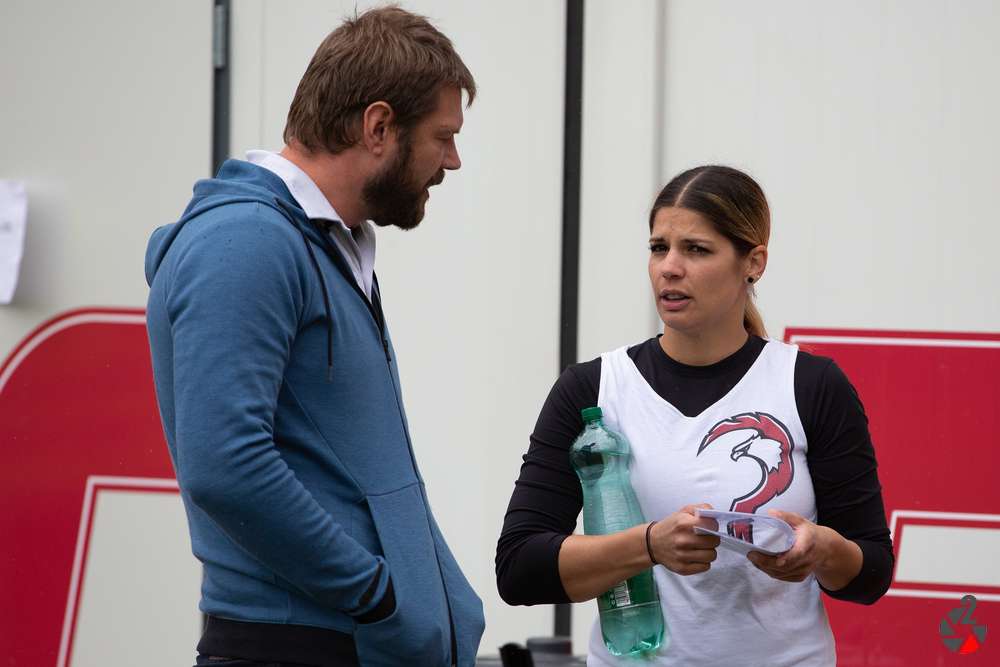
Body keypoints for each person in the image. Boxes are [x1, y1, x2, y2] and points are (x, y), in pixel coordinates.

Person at [144, 7, 483, 666]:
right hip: (297, 644)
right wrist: (376, 596)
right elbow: (225, 467)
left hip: (348, 642)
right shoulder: (245, 242)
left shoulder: (329, 244)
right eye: (442, 136)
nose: (453, 160)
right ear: (378, 126)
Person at [496, 165, 894, 665]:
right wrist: (648, 545)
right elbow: (519, 568)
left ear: (754, 263)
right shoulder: (593, 387)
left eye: (697, 249)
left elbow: (871, 572)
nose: (669, 267)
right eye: (658, 247)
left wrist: (821, 550)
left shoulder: (811, 384)